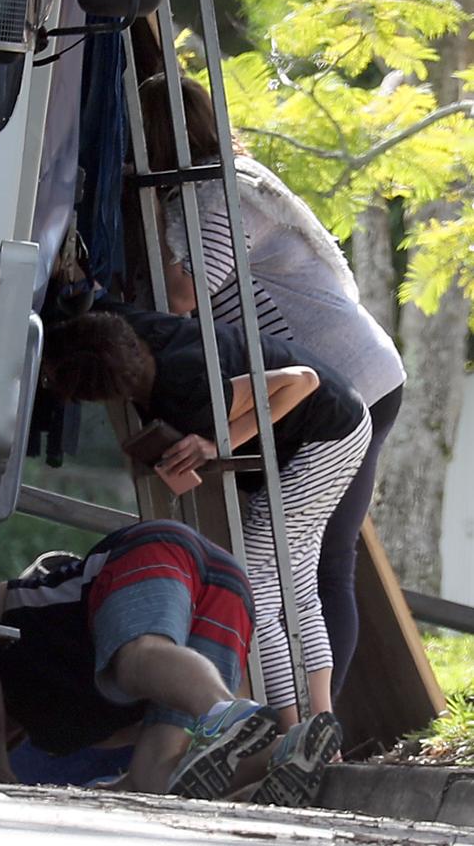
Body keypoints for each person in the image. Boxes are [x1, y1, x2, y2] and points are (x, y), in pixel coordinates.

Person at [136, 74, 405, 696]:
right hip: (351, 375)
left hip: (340, 383)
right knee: (318, 560)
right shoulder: (235, 179)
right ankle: (314, 721)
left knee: (300, 560)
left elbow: (184, 294)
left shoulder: (212, 194)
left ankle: (302, 722)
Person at [42, 303, 372, 733]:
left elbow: (301, 382)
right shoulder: (124, 328)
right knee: (298, 588)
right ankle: (320, 727)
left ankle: (294, 735)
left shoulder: (187, 383)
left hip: (328, 434)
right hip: (335, 420)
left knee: (257, 587)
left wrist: (217, 442)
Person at [0, 519, 342, 806]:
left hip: (161, 549)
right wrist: (110, 791)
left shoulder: (13, 629)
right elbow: (139, 769)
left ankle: (226, 713)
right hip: (230, 591)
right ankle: (285, 752)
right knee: (152, 773)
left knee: (134, 657)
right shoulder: (57, 730)